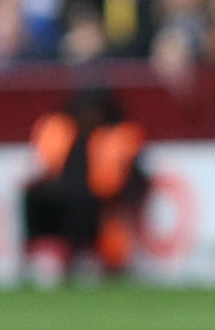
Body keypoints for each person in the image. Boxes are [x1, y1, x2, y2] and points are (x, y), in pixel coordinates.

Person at [20, 87, 149, 286]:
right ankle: (38, 255)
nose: (88, 114)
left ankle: (82, 256)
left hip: (100, 201)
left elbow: (133, 179)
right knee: (36, 196)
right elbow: (42, 166)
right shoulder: (59, 130)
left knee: (80, 199)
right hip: (60, 197)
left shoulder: (119, 135)